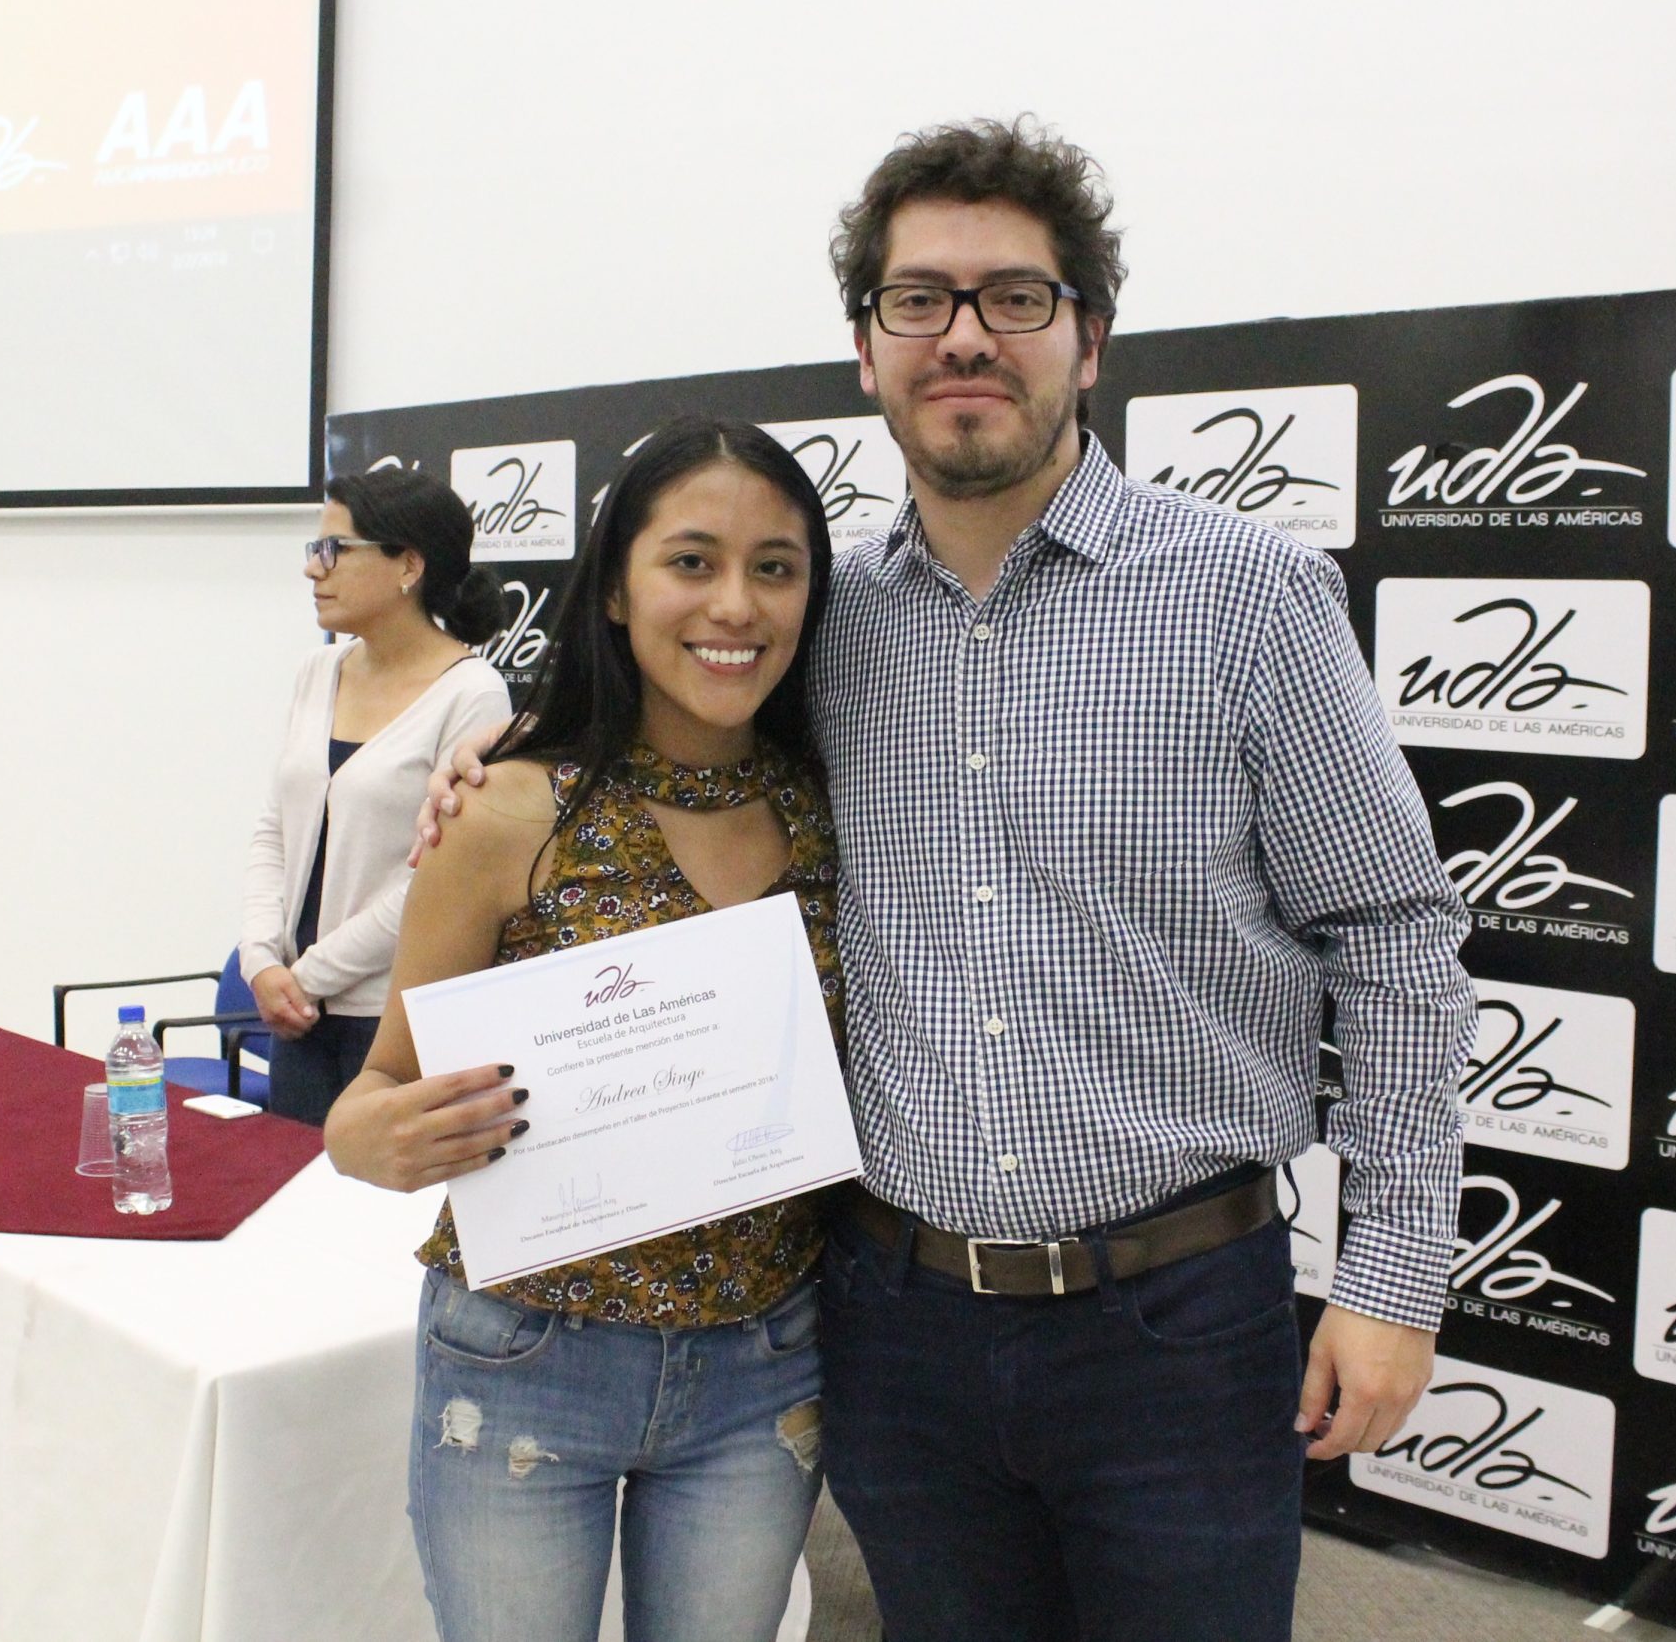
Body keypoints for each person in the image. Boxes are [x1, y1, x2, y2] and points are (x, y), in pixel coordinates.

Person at [419, 119, 1475, 1641]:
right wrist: (501, 751)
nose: (965, 335)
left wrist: (1396, 1275)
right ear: (867, 349)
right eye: (919, 299)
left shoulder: (1248, 597)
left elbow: (1394, 937)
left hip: (1177, 1324)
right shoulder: (819, 616)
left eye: (1015, 298)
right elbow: (656, 725)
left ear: (1089, 339)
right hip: (894, 1327)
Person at [324, 417, 843, 1642]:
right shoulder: (510, 812)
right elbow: (368, 1098)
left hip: (765, 1362)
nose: (735, 604)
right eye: (691, 561)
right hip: (527, 1353)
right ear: (614, 587)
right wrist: (382, 1139)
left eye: (774, 567)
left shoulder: (831, 805)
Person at [239, 468, 514, 1124]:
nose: (313, 568)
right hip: (295, 1016)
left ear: (408, 566)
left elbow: (439, 880)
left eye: (334, 549)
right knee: (294, 1185)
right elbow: (275, 830)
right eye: (315, 549)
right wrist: (259, 960)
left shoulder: (472, 692)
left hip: (391, 1022)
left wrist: (307, 977)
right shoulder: (318, 670)